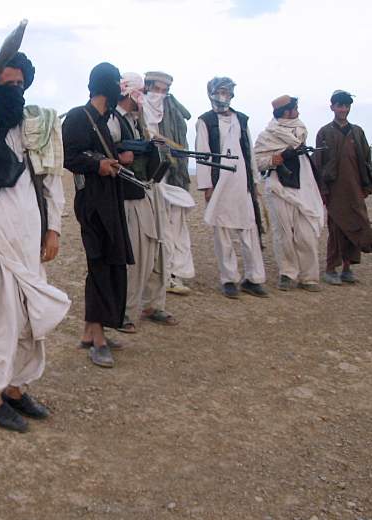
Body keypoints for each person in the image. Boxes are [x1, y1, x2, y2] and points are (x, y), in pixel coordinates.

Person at [0, 50, 70, 432]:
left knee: (28, 317)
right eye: (7, 84)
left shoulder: (37, 124)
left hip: (30, 238)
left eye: (19, 83)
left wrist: (53, 229)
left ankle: (18, 389)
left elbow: (53, 180)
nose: (15, 90)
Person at [63, 62, 134, 369]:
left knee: (108, 262)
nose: (121, 87)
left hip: (110, 200)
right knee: (99, 263)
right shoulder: (79, 116)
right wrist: (99, 166)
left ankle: (91, 331)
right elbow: (68, 156)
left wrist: (115, 161)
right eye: (117, 82)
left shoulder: (103, 120)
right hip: (92, 202)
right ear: (107, 85)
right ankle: (99, 339)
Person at [107, 72, 176, 333]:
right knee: (137, 256)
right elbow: (107, 152)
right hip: (129, 196)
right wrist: (120, 156)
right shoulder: (113, 121)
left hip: (149, 191)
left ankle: (153, 304)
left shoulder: (139, 122)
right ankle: (126, 312)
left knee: (158, 249)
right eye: (141, 94)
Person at [195, 77, 268, 299]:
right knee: (222, 232)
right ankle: (229, 279)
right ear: (212, 93)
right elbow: (202, 153)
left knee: (249, 229)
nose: (224, 96)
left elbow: (249, 153)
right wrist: (206, 185)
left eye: (227, 92)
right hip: (220, 183)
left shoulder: (241, 119)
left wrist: (255, 181)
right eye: (220, 91)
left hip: (242, 183)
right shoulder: (205, 121)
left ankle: (254, 278)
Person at [254, 95, 325, 291]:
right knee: (283, 233)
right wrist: (273, 160)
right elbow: (257, 161)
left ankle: (309, 277)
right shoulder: (266, 136)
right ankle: (287, 273)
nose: (298, 112)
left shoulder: (300, 130)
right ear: (286, 111)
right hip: (278, 187)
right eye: (294, 108)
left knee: (306, 233)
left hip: (303, 186)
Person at [314, 90, 372, 284]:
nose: (343, 109)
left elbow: (366, 160)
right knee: (336, 229)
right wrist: (322, 190)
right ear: (332, 107)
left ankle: (347, 268)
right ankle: (330, 269)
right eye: (339, 105)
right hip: (334, 189)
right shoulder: (324, 132)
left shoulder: (357, 132)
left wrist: (367, 185)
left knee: (356, 226)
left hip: (355, 188)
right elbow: (318, 163)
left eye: (346, 105)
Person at [143, 71, 195, 296]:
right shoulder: (139, 109)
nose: (160, 95)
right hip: (150, 178)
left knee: (176, 224)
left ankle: (175, 273)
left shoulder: (172, 113)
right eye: (157, 89)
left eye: (165, 91)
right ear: (147, 87)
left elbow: (181, 143)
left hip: (173, 176)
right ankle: (158, 274)